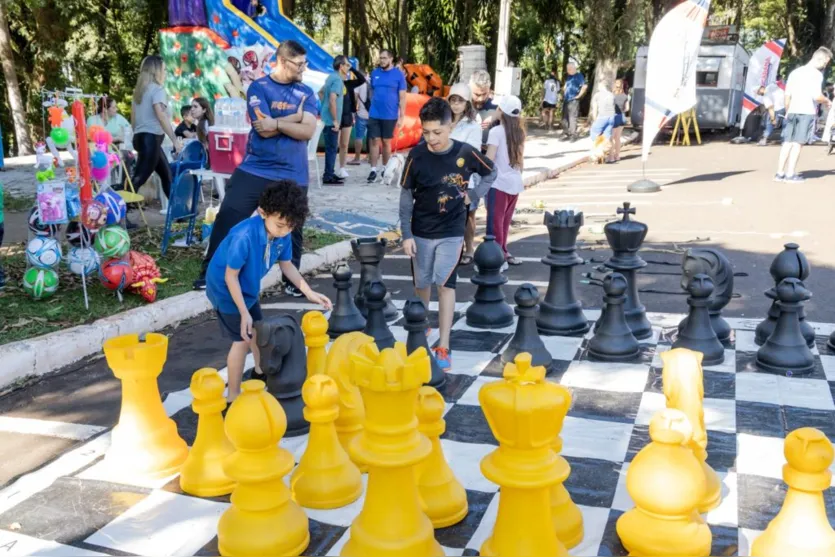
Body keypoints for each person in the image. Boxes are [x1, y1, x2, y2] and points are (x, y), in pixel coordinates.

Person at [194, 39, 318, 293]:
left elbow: (307, 131)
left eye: (305, 63)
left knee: (293, 226)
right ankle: (209, 272)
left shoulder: (307, 93)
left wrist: (278, 123)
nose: (303, 69)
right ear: (282, 62)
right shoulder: (258, 88)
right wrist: (292, 118)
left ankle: (291, 282)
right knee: (228, 216)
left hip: (293, 170)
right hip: (256, 167)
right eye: (299, 64)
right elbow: (263, 128)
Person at [206, 181, 332, 403]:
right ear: (263, 212)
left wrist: (309, 292)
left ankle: (259, 372)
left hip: (248, 286)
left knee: (258, 329)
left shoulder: (283, 234)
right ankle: (232, 396)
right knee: (242, 338)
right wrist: (243, 312)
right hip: (226, 289)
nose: (286, 231)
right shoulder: (244, 236)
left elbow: (287, 266)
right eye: (281, 225)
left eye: (291, 226)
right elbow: (230, 276)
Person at [399, 97, 497, 371]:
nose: (431, 139)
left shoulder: (466, 152)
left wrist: (474, 196)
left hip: (452, 231)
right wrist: (406, 233)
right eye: (426, 132)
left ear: (450, 126)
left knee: (445, 285)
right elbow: (406, 196)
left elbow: (491, 173)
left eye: (437, 132)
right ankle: (423, 328)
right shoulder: (416, 155)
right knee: (422, 284)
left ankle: (444, 344)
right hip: (420, 231)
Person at [775, 47, 833, 183]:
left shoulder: (795, 73)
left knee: (787, 142)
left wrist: (788, 110)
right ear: (821, 58)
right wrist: (827, 100)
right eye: (826, 62)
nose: (825, 65)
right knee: (798, 143)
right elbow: (817, 96)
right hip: (806, 111)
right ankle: (790, 174)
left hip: (792, 111)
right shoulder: (816, 75)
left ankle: (779, 173)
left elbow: (787, 95)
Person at [130, 55, 181, 200]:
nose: (165, 73)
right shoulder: (158, 90)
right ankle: (118, 214)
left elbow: (133, 119)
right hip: (151, 139)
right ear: (156, 71)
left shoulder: (139, 92)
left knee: (167, 175)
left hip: (142, 138)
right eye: (164, 70)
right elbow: (161, 115)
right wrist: (174, 140)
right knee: (138, 179)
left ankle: (177, 214)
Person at [485, 95, 525, 268]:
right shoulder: (519, 132)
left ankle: (497, 258)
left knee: (495, 223)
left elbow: (489, 160)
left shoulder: (496, 132)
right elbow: (521, 160)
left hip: (498, 184)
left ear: (501, 111)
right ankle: (504, 250)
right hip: (514, 184)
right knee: (505, 222)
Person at [447, 82, 482, 266]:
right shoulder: (443, 122)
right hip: (444, 177)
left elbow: (473, 153)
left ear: (467, 103)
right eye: (453, 100)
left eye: (460, 101)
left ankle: (469, 249)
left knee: (469, 215)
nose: (456, 104)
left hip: (467, 179)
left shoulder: (473, 126)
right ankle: (452, 250)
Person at [367, 49, 407, 183]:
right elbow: (372, 91)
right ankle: (373, 170)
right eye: (381, 58)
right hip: (374, 113)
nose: (382, 60)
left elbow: (402, 97)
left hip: (390, 115)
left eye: (384, 58)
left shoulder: (398, 75)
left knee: (386, 142)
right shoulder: (375, 73)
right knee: (374, 141)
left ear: (391, 59)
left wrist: (402, 117)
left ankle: (385, 168)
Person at [321, 55, 350, 185]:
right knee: (332, 148)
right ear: (341, 66)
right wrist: (335, 120)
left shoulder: (330, 77)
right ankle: (328, 176)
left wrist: (324, 107)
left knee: (331, 147)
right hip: (331, 120)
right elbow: (333, 100)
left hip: (326, 118)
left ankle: (330, 172)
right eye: (347, 65)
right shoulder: (338, 80)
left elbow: (320, 93)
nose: (349, 68)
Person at [337, 66, 366, 176]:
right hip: (336, 115)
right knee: (335, 144)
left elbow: (362, 79)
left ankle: (342, 168)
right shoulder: (332, 81)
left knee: (344, 144)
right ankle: (330, 170)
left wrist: (353, 69)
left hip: (347, 115)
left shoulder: (348, 84)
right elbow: (321, 93)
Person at [469, 69, 499, 149]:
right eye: (477, 94)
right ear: (469, 88)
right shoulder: (460, 106)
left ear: (489, 88)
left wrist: (498, 114)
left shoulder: (497, 108)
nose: (480, 99)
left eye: (484, 94)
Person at [562, 62, 588, 141]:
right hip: (566, 100)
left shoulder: (578, 76)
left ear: (572, 68)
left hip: (573, 100)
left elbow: (584, 86)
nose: (567, 70)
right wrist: (564, 90)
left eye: (568, 69)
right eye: (567, 69)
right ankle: (566, 133)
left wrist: (579, 95)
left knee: (572, 117)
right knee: (564, 118)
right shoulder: (569, 77)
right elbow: (566, 86)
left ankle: (573, 135)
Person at [351, 71, 371, 165]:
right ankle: (370, 157)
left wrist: (354, 111)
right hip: (373, 115)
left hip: (361, 114)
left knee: (359, 136)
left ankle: (357, 158)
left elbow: (354, 99)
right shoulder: (372, 83)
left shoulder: (358, 84)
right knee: (372, 137)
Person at [611, 79, 629, 162]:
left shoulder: (612, 95)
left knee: (611, 138)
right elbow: (627, 108)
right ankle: (617, 155)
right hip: (622, 117)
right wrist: (622, 111)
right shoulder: (625, 96)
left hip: (614, 117)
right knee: (618, 138)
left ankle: (611, 156)